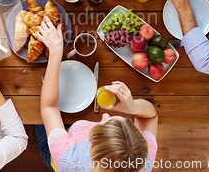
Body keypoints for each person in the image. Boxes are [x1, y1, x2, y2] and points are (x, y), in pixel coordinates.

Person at [36, 17, 158, 172]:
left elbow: (49, 108)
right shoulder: (141, 160)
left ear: (91, 149)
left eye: (104, 122)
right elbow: (150, 116)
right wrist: (133, 107)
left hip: (57, 149)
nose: (104, 115)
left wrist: (55, 52)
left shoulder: (68, 159)